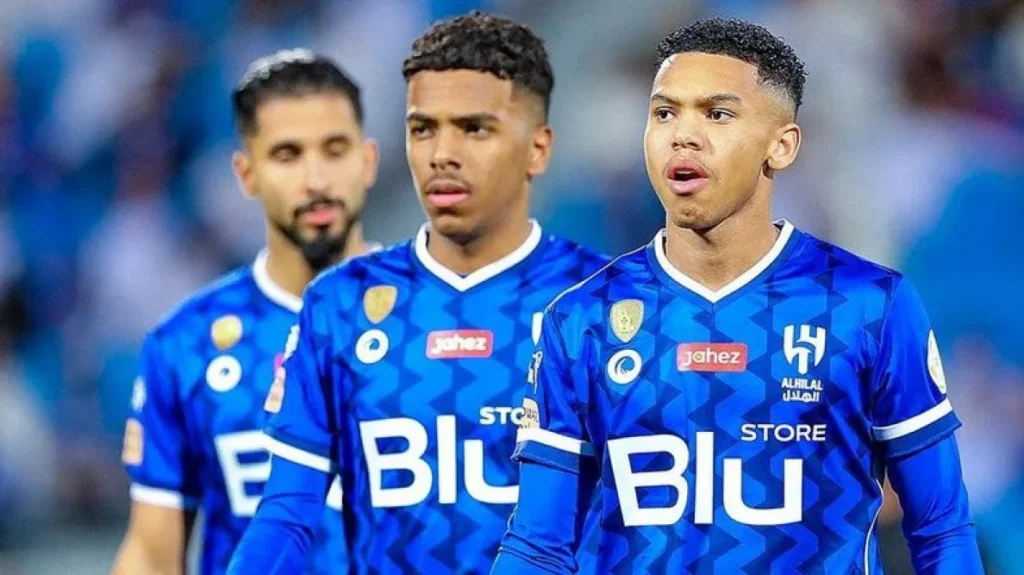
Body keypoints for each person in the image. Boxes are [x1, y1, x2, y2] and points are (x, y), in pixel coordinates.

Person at [492, 18, 984, 575]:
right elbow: (538, 546)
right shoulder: (583, 317)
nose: (683, 135)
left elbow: (940, 528)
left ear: (781, 145)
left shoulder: (868, 305)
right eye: (664, 113)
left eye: (717, 114)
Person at [227, 12, 609, 575]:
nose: (441, 153)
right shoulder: (339, 305)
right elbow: (287, 514)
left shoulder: (601, 304)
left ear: (538, 148)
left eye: (473, 128)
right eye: (423, 128)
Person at [111, 49, 379, 575]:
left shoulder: (438, 316)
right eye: (287, 155)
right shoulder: (185, 346)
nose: (316, 180)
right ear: (246, 173)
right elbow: (152, 553)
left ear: (368, 161)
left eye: (334, 150)